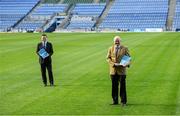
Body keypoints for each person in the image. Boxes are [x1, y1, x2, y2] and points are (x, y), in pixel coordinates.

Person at [106, 36, 131, 106]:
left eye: (118, 41)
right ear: (113, 42)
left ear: (120, 41)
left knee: (122, 86)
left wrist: (125, 64)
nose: (117, 42)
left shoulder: (125, 48)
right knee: (114, 86)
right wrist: (113, 64)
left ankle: (123, 102)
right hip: (113, 71)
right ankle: (115, 101)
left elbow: (128, 58)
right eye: (115, 41)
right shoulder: (110, 48)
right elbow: (108, 58)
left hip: (122, 71)